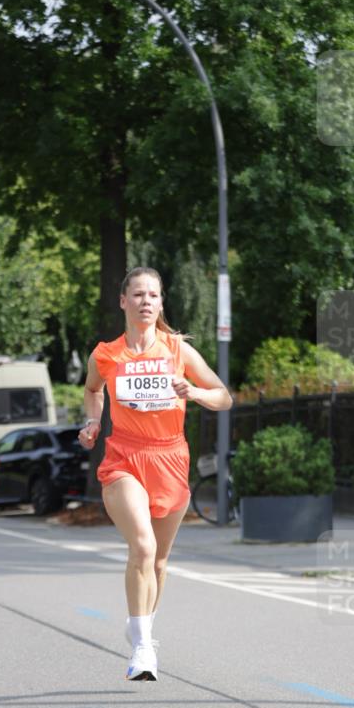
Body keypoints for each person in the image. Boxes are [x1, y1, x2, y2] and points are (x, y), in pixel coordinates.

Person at [78, 267, 232, 681]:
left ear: (161, 304)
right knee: (143, 548)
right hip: (124, 458)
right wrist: (93, 423)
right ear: (123, 301)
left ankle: (139, 625)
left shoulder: (178, 351)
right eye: (139, 294)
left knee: (160, 562)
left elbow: (224, 396)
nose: (147, 301)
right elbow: (93, 391)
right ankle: (143, 648)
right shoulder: (106, 354)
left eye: (154, 295)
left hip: (170, 460)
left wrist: (194, 392)